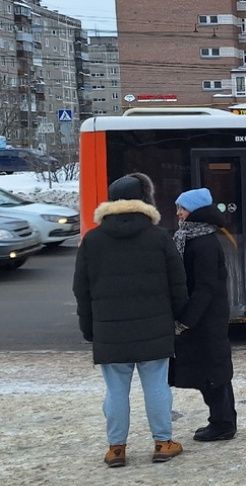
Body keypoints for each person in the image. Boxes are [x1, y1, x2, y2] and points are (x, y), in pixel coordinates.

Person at [74, 173, 188, 468]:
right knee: (157, 387)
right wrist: (180, 317)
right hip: (155, 329)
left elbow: (82, 290)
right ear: (143, 201)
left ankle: (116, 449)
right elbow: (178, 283)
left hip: (110, 332)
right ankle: (163, 443)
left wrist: (89, 329)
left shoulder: (93, 240)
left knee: (115, 391)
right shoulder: (159, 237)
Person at [170, 188, 237, 442]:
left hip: (206, 319)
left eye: (182, 208)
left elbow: (205, 287)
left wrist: (186, 320)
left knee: (213, 372)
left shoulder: (203, 242)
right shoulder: (194, 237)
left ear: (196, 211)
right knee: (212, 370)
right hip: (205, 317)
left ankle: (222, 424)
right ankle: (223, 420)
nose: (178, 213)